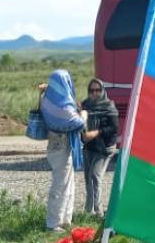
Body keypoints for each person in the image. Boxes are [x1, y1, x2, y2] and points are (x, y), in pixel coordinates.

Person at [39, 69, 86, 231]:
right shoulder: (63, 105)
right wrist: (84, 114)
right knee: (61, 185)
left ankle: (65, 219)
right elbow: (78, 122)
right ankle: (53, 223)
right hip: (62, 149)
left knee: (68, 184)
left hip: (58, 148)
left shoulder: (48, 100)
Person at [80, 78, 119, 217]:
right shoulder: (85, 105)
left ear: (102, 91)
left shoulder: (109, 105)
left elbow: (114, 127)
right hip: (89, 145)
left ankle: (98, 211)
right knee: (87, 177)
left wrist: (96, 133)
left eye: (98, 90)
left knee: (95, 176)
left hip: (104, 146)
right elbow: (80, 122)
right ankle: (88, 209)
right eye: (92, 90)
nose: (94, 93)